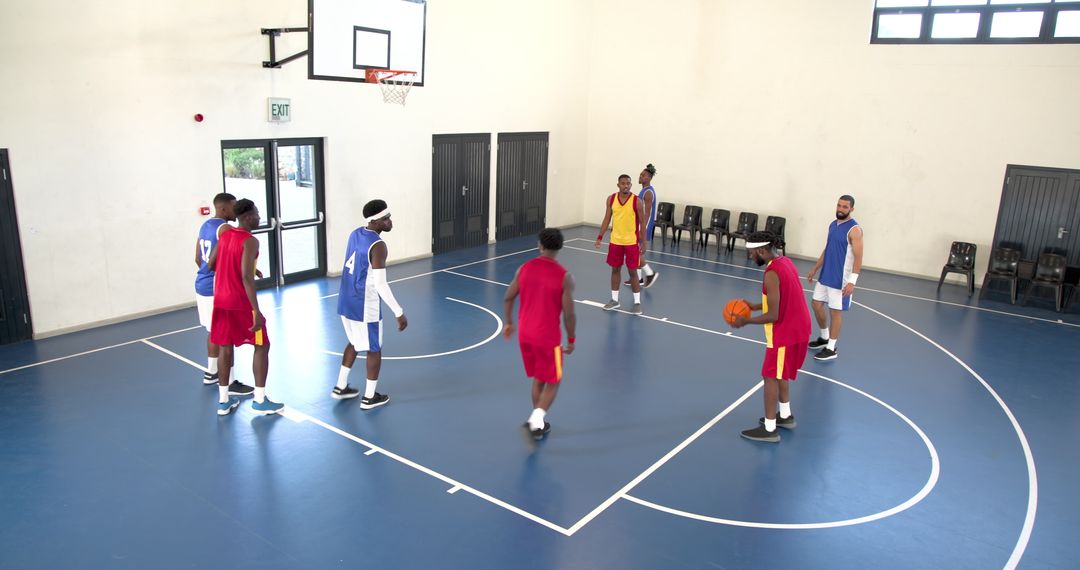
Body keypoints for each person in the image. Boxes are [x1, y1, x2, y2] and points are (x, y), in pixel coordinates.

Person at [730, 230, 811, 443]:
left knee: (770, 375)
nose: (749, 256)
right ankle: (784, 416)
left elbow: (774, 314)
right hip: (798, 327)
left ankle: (769, 429)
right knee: (780, 373)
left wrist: (745, 320)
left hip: (786, 332)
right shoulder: (785, 262)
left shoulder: (772, 273)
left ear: (762, 250)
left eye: (751, 252)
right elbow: (782, 299)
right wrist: (753, 306)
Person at [207, 199, 282, 416]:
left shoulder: (225, 235)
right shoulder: (250, 241)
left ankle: (223, 401)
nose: (259, 217)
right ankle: (260, 399)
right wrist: (256, 311)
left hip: (220, 300)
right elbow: (246, 277)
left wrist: (236, 270)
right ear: (248, 217)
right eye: (257, 214)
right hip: (240, 302)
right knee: (262, 345)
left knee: (225, 347)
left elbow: (212, 264)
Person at [333, 199, 407, 409]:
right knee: (374, 348)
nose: (390, 221)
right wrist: (398, 312)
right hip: (364, 304)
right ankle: (369, 397)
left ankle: (340, 386)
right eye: (386, 219)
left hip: (345, 300)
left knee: (355, 342)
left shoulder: (355, 233)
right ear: (375, 221)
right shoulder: (378, 245)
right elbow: (381, 285)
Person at [503, 228, 576, 439]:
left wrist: (508, 323)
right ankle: (536, 419)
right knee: (554, 380)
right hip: (547, 337)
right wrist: (571, 339)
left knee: (539, 377)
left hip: (525, 334)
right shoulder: (564, 277)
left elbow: (508, 298)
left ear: (540, 245)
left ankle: (538, 424)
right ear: (559, 248)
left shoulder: (524, 268)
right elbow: (569, 315)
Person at [193, 193, 253, 397]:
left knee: (213, 331)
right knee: (226, 337)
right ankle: (231, 381)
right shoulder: (225, 229)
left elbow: (197, 258)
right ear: (224, 208)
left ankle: (211, 372)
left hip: (201, 285)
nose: (235, 210)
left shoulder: (205, 225)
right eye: (233, 206)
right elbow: (228, 256)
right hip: (216, 289)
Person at [806, 195, 864, 361]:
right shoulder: (833, 225)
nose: (840, 209)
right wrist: (815, 268)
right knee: (816, 304)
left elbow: (859, 257)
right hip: (826, 275)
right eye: (839, 205)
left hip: (841, 279)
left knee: (835, 312)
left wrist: (852, 282)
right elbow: (828, 249)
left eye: (845, 207)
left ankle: (831, 348)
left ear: (851, 209)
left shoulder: (854, 230)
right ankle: (824, 337)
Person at [594, 174, 646, 314]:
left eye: (628, 183)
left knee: (632, 272)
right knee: (615, 270)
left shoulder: (637, 201)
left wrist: (644, 242)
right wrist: (600, 237)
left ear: (630, 185)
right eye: (623, 183)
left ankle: (637, 303)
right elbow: (606, 218)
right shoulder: (611, 199)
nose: (626, 186)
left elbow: (642, 222)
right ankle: (614, 300)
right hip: (615, 241)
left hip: (631, 242)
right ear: (618, 185)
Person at [625, 164, 660, 288]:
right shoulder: (644, 190)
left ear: (649, 178)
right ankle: (638, 278)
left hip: (643, 226)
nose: (640, 177)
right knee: (636, 251)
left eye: (643, 175)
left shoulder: (649, 192)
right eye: (640, 174)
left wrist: (642, 229)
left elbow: (648, 214)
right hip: (640, 225)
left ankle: (650, 273)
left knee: (635, 252)